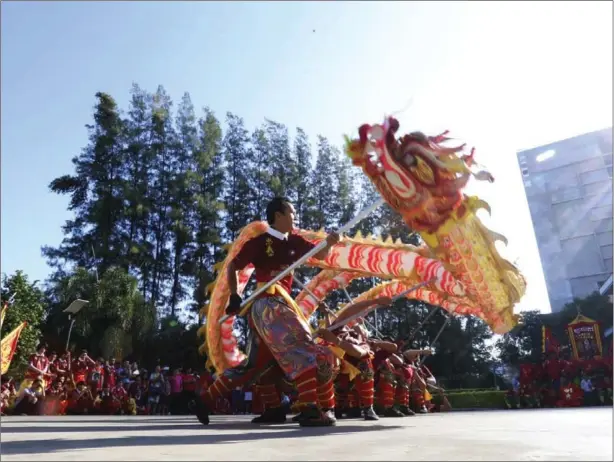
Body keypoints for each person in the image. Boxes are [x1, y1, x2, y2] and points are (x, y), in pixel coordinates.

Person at [198, 197, 340, 427]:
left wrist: (330, 243)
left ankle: (207, 400)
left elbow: (320, 254)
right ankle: (310, 407)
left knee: (256, 365)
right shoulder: (259, 242)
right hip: (269, 304)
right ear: (278, 215)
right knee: (302, 345)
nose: (295, 218)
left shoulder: (295, 240)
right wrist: (235, 295)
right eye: (292, 213)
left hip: (278, 305)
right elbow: (234, 265)